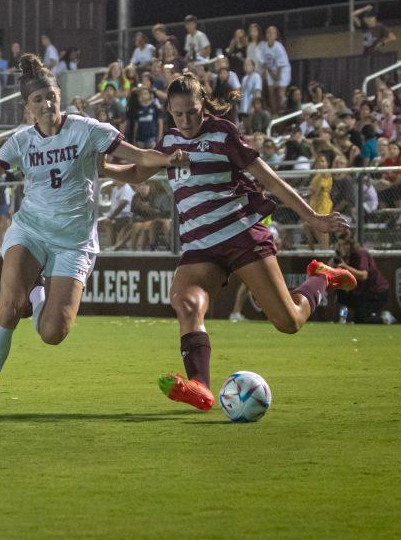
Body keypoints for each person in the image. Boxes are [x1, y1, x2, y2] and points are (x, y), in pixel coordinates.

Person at [0, 54, 185, 412]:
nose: (47, 103)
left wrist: (169, 159)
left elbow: (139, 156)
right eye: (39, 99)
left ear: (59, 96)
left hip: (74, 242)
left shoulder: (87, 129)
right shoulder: (21, 141)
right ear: (27, 107)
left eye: (51, 95)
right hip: (30, 231)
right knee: (7, 305)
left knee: (53, 333)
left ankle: (38, 295)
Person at [120, 73, 353, 413]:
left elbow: (270, 180)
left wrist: (312, 217)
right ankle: (200, 386)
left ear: (203, 105)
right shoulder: (169, 142)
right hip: (200, 248)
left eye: (193, 112)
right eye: (178, 114)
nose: (186, 120)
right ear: (169, 111)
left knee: (288, 322)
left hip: (241, 237)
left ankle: (321, 277)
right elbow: (137, 170)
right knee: (185, 303)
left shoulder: (223, 133)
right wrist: (99, 167)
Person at [332, 235, 392, 324]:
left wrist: (346, 267)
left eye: (342, 245)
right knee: (341, 292)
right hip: (363, 292)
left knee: (361, 319)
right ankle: (347, 315)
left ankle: (385, 318)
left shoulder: (360, 254)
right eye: (339, 246)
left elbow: (363, 275)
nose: (340, 248)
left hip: (377, 292)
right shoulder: (346, 257)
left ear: (349, 245)